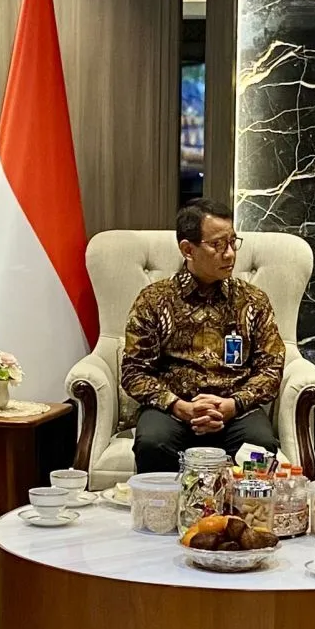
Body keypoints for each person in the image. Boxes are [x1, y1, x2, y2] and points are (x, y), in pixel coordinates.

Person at [121, 198, 285, 473]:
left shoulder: (252, 301)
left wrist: (233, 404)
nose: (229, 254)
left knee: (260, 447)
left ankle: (248, 503)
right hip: (172, 410)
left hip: (236, 410)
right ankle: (160, 503)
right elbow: (133, 372)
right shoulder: (154, 300)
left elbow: (271, 368)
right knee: (152, 443)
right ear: (188, 249)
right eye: (218, 245)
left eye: (232, 242)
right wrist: (178, 406)